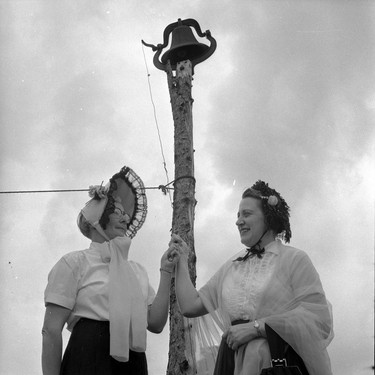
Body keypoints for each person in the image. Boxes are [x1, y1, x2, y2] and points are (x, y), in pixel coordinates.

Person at [170, 180, 334, 375]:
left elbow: (320, 320)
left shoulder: (294, 259)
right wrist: (181, 260)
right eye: (238, 215)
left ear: (269, 218)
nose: (238, 221)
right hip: (231, 364)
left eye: (246, 214)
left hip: (274, 364)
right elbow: (190, 305)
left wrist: (258, 327)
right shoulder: (232, 267)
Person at [42, 165, 178, 375]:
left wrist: (166, 271)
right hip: (86, 359)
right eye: (118, 212)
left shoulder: (136, 270)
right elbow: (51, 330)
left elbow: (155, 323)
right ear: (98, 218)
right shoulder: (74, 263)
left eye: (126, 214)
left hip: (132, 363)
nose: (125, 219)